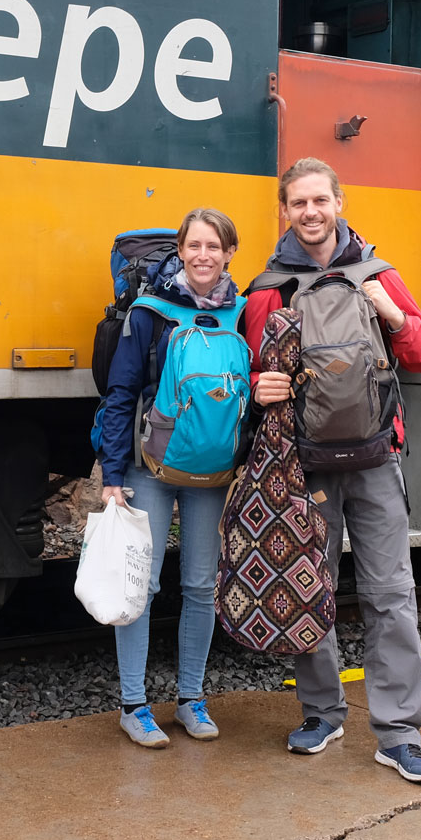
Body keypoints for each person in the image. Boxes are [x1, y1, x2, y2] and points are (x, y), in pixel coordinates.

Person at [245, 157, 421, 785]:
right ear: (284, 211)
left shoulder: (377, 274)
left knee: (391, 596)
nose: (310, 213)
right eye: (298, 203)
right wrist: (260, 386)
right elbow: (249, 369)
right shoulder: (268, 287)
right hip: (304, 463)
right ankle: (322, 713)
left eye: (320, 202)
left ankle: (399, 734)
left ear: (339, 204)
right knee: (312, 591)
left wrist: (391, 312)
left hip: (376, 457)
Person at [95, 207, 243, 748]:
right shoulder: (148, 313)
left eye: (214, 246)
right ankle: (134, 704)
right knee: (143, 584)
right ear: (180, 251)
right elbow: (119, 396)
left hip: (212, 471)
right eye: (194, 246)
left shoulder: (242, 313)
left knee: (202, 586)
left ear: (230, 253)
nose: (203, 256)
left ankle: (190, 699)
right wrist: (112, 473)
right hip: (148, 467)